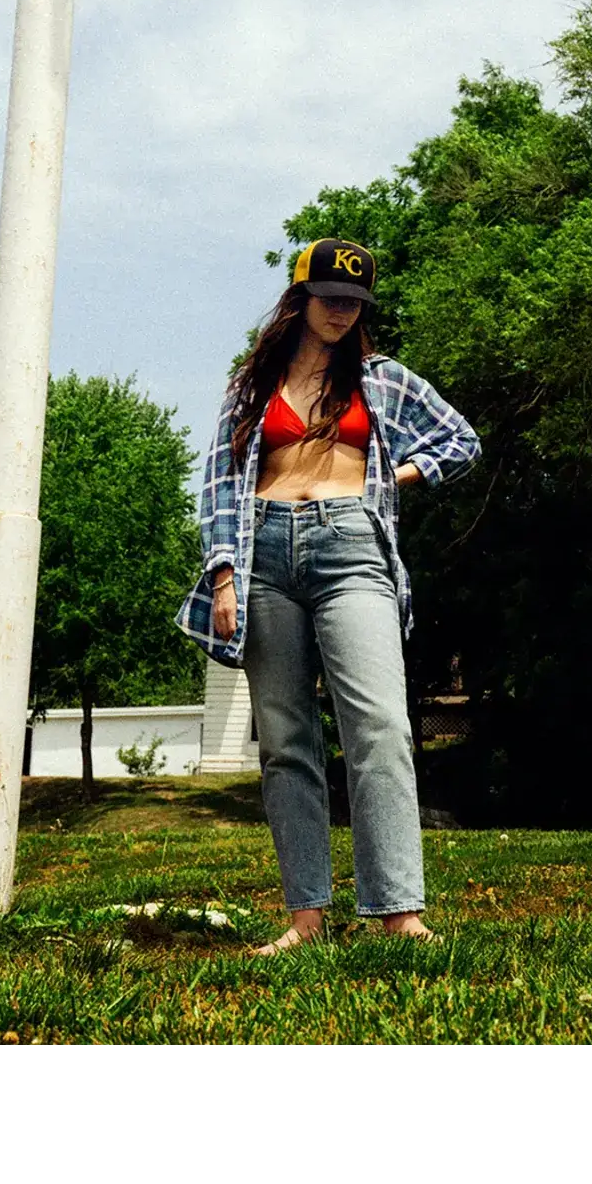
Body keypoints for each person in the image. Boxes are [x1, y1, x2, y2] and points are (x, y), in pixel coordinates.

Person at [178, 238, 481, 951]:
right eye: (330, 299)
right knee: (286, 741)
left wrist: (393, 480)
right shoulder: (250, 387)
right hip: (263, 553)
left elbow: (460, 441)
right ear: (301, 300)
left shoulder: (383, 380)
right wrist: (224, 572)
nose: (342, 312)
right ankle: (305, 920)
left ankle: (399, 913)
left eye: (354, 303)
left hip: (351, 548)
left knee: (380, 724)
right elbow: (220, 485)